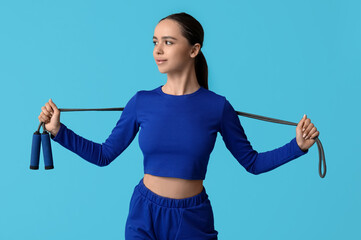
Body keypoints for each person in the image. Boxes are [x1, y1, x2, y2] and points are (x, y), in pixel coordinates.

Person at [38, 12, 319, 240]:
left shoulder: (218, 107)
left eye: (168, 42)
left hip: (192, 218)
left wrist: (297, 146)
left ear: (194, 49)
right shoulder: (141, 102)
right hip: (143, 214)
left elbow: (252, 163)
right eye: (155, 42)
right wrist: (58, 131)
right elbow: (103, 155)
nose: (158, 50)